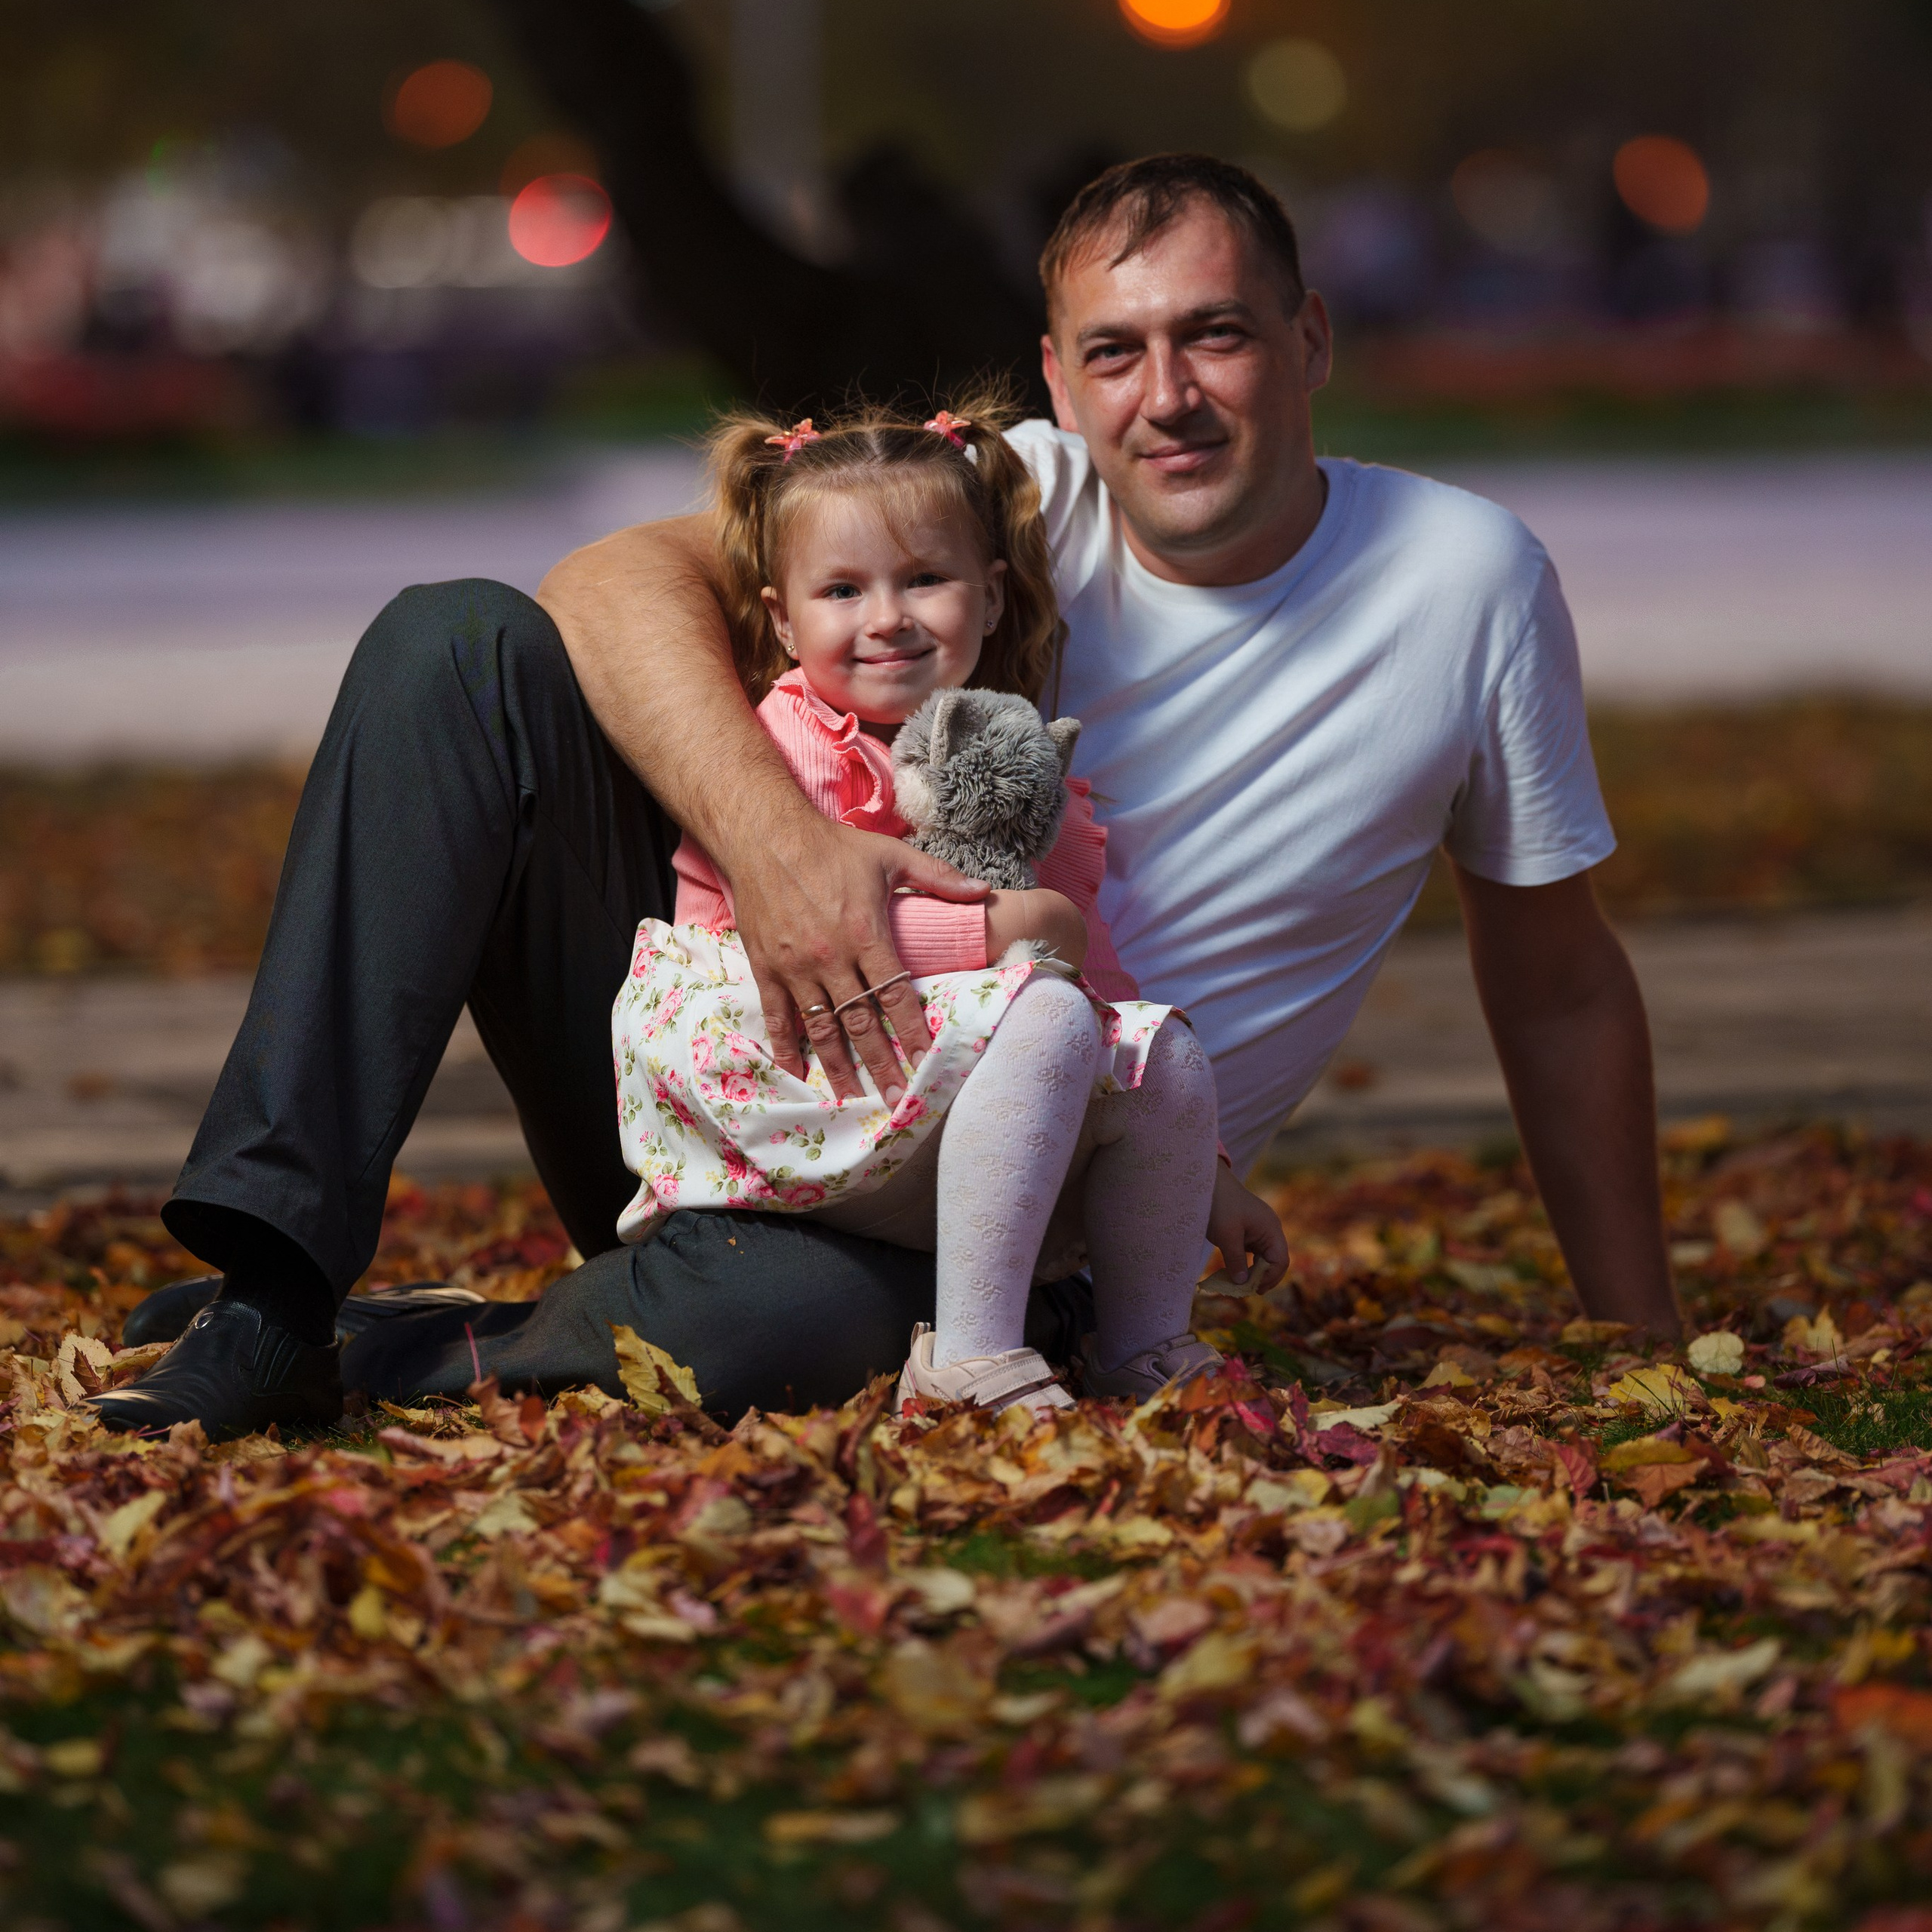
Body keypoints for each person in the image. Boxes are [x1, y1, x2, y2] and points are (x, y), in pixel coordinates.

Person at [98, 152, 1678, 1443]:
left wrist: (1639, 1342)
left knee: (792, 1331)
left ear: (1308, 340)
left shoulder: (1464, 584)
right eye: (1115, 353)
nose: (1169, 395)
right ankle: (273, 1294)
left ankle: (404, 1352)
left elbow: (1552, 983)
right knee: (457, 644)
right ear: (1057, 379)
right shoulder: (1003, 505)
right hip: (745, 1075)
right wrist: (779, 853)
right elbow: (600, 583)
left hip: (1008, 1210)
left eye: (1218, 334)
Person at [615, 394, 1274, 1414]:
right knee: (1047, 1007)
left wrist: (1211, 1168)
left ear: (993, 596)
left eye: (925, 579)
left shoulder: (1013, 761)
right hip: (785, 1054)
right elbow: (815, 938)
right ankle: (967, 1361)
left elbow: (1091, 962)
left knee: (1163, 1050)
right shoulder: (786, 748)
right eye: (842, 590)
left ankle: (1144, 1346)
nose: (887, 617)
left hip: (933, 1072)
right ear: (784, 619)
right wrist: (1006, 931)